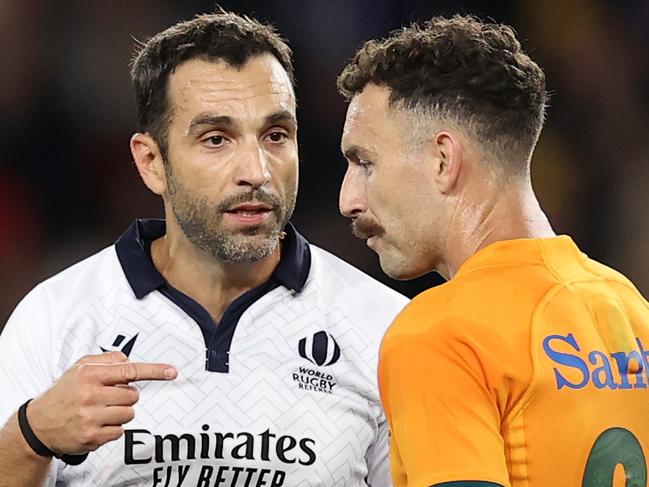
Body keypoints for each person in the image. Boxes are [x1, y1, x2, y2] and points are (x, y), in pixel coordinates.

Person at [0, 11, 408, 487]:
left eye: (276, 135)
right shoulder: (57, 318)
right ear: (151, 163)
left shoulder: (382, 329)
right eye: (216, 139)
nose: (255, 170)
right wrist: (32, 435)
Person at [337, 14, 649, 487]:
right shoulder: (631, 309)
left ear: (443, 160)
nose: (348, 200)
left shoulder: (440, 334)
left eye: (365, 162)